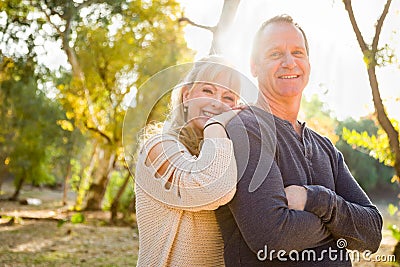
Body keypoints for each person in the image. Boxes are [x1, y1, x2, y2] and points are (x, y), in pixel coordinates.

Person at [215, 15, 383, 266]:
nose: (289, 62)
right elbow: (272, 236)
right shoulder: (247, 130)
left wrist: (314, 199)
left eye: (297, 52)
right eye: (275, 54)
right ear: (253, 66)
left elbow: (372, 233)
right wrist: (343, 231)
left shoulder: (325, 148)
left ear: (308, 63)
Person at [134, 55, 244, 267]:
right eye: (208, 90)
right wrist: (216, 126)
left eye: (229, 98)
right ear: (186, 95)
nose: (217, 102)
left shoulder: (227, 154)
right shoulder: (157, 148)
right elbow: (215, 188)